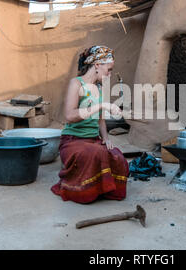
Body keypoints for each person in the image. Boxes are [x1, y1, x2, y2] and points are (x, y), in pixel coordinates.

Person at [51, 45, 129, 204]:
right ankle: (86, 190)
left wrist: (106, 138)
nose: (110, 74)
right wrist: (101, 106)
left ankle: (100, 188)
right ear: (97, 65)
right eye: (109, 69)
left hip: (93, 140)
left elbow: (100, 120)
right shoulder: (77, 84)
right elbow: (70, 115)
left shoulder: (100, 89)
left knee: (117, 157)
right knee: (95, 154)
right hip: (73, 140)